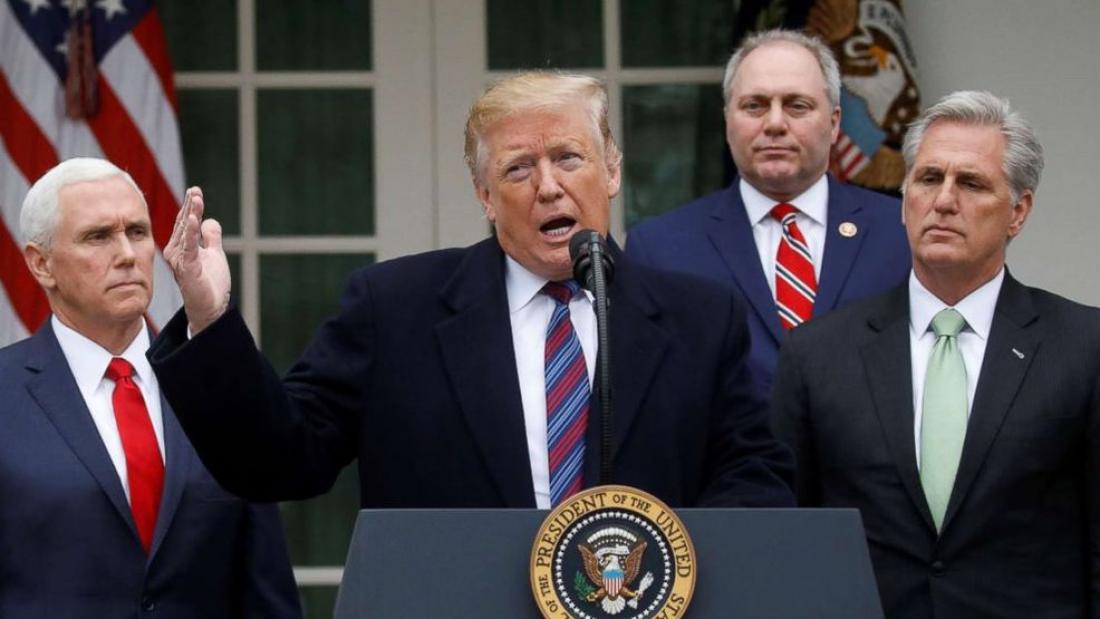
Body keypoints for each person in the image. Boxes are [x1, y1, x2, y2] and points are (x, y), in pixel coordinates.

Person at [148, 72, 794, 511]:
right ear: (485, 196)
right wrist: (211, 317)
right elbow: (281, 460)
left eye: (569, 158)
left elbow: (754, 477)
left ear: (613, 170)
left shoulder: (700, 317)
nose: (548, 186)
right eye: (518, 168)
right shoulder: (393, 308)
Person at [771, 91, 1099, 617]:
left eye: (971, 183)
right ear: (905, 201)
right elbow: (788, 535)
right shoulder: (818, 352)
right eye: (928, 179)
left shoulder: (1083, 346)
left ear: (1018, 211)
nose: (944, 200)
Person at [0, 158, 301, 617]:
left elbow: (267, 589)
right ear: (41, 264)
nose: (127, 254)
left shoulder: (217, 383)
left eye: (138, 232)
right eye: (98, 236)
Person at [626, 29, 910, 393]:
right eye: (754, 106)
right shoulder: (660, 250)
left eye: (797, 105)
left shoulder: (901, 232)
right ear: (727, 120)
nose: (775, 123)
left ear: (834, 122)